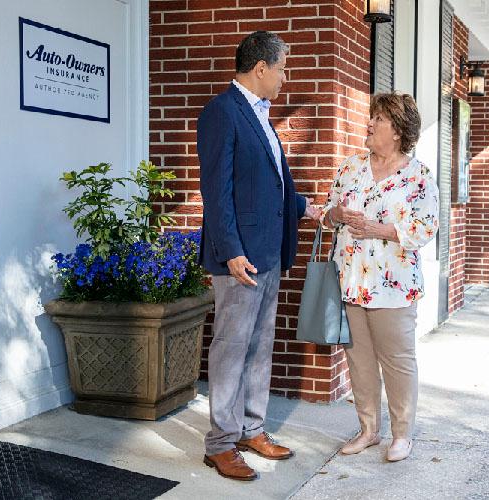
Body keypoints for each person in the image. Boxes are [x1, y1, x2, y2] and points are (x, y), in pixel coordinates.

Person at [197, 31, 319, 481]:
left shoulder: (262, 117)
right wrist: (229, 250)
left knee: (259, 347)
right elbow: (217, 191)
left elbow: (273, 184)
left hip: (269, 253)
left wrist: (309, 208)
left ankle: (251, 429)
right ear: (261, 68)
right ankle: (220, 444)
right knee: (231, 349)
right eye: (283, 68)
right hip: (240, 259)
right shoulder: (221, 113)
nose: (285, 78)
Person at [321, 92, 439, 462]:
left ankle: (401, 435)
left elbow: (426, 228)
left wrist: (379, 229)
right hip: (351, 279)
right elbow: (326, 214)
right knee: (359, 361)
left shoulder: (418, 176)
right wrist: (336, 213)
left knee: (398, 360)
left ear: (399, 131)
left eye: (379, 120)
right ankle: (369, 430)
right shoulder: (349, 166)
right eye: (371, 118)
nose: (369, 124)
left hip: (394, 285)